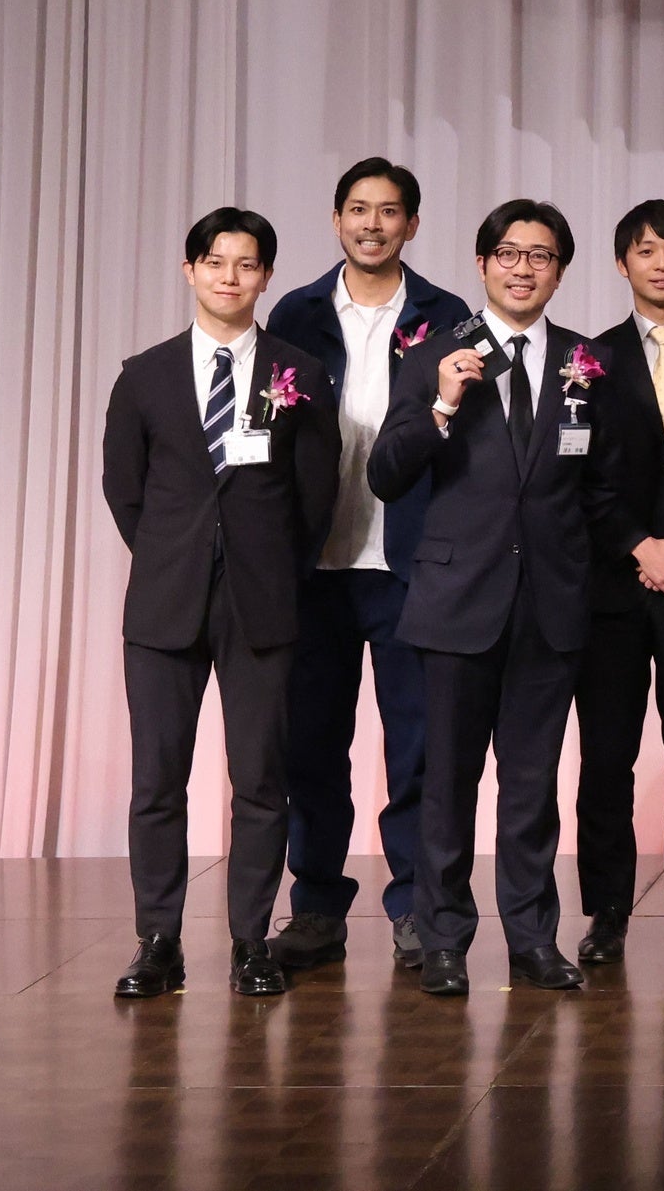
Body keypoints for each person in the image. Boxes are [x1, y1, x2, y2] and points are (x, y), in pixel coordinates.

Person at [371, 197, 612, 997]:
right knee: (446, 782)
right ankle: (442, 936)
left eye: (540, 255)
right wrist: (441, 403)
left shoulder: (585, 362)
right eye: (508, 253)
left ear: (559, 272)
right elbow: (385, 472)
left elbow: (600, 485)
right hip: (456, 598)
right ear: (482, 264)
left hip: (550, 601)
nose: (523, 268)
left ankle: (533, 937)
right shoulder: (435, 354)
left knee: (532, 785)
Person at [103, 207, 338, 1001]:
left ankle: (251, 941)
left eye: (245, 263)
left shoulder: (298, 372)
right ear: (190, 270)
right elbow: (125, 491)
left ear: (265, 275)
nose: (229, 276)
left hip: (261, 602)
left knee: (261, 778)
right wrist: (176, 555)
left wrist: (270, 567)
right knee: (157, 781)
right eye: (215, 261)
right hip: (164, 604)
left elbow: (316, 494)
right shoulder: (144, 375)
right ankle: (158, 941)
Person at [269, 158, 474, 977]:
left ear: (412, 224)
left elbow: (463, 438)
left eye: (389, 211)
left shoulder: (446, 315)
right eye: (358, 209)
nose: (373, 224)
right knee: (312, 746)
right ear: (336, 219)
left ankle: (416, 905)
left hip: (407, 563)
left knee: (416, 748)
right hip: (314, 565)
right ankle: (317, 908)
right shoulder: (296, 312)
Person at [572, 200, 664, 964]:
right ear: (621, 262)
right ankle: (607, 910)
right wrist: (639, 545)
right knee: (608, 758)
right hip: (612, 590)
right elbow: (577, 476)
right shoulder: (587, 360)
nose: (660, 262)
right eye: (645, 249)